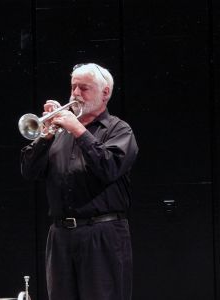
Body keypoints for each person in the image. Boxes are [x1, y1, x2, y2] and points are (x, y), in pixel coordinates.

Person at [20, 63, 138, 300]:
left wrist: (79, 131)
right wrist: (46, 135)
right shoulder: (59, 133)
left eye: (83, 88)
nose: (75, 94)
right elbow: (29, 171)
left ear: (105, 93)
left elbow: (109, 167)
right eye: (73, 87)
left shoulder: (119, 130)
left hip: (102, 235)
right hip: (61, 236)